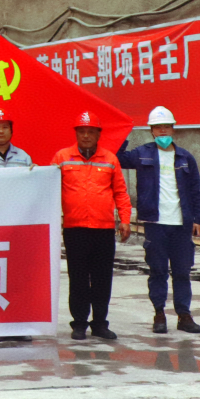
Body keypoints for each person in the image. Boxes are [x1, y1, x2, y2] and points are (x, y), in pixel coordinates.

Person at [117, 106, 200, 335]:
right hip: (155, 223)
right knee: (157, 270)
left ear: (173, 129)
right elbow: (117, 158)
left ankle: (184, 315)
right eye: (158, 127)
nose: (163, 131)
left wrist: (198, 218)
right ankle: (159, 314)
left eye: (166, 126)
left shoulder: (186, 157)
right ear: (151, 131)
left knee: (182, 271)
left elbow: (195, 189)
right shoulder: (142, 154)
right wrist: (122, 133)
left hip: (181, 223)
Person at [51, 111, 131, 341]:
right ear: (76, 133)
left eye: (90, 131)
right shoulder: (62, 158)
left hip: (103, 229)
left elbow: (120, 192)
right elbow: (47, 186)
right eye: (82, 131)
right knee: (78, 278)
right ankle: (79, 324)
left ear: (98, 134)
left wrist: (125, 219)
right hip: (75, 229)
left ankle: (99, 324)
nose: (86, 135)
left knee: (102, 278)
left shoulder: (110, 159)